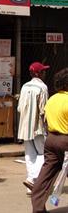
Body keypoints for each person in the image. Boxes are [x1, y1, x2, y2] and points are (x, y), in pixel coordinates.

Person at [31, 68, 68, 213]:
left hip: (51, 141)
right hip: (66, 141)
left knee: (45, 176)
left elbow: (45, 120)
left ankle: (38, 208)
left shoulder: (52, 99)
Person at [17, 61, 50, 196]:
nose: (45, 73)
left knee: (30, 155)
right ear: (39, 73)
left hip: (24, 127)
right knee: (43, 154)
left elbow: (19, 108)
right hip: (38, 127)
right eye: (43, 71)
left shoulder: (24, 86)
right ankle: (32, 179)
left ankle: (31, 184)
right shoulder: (42, 87)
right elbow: (44, 110)